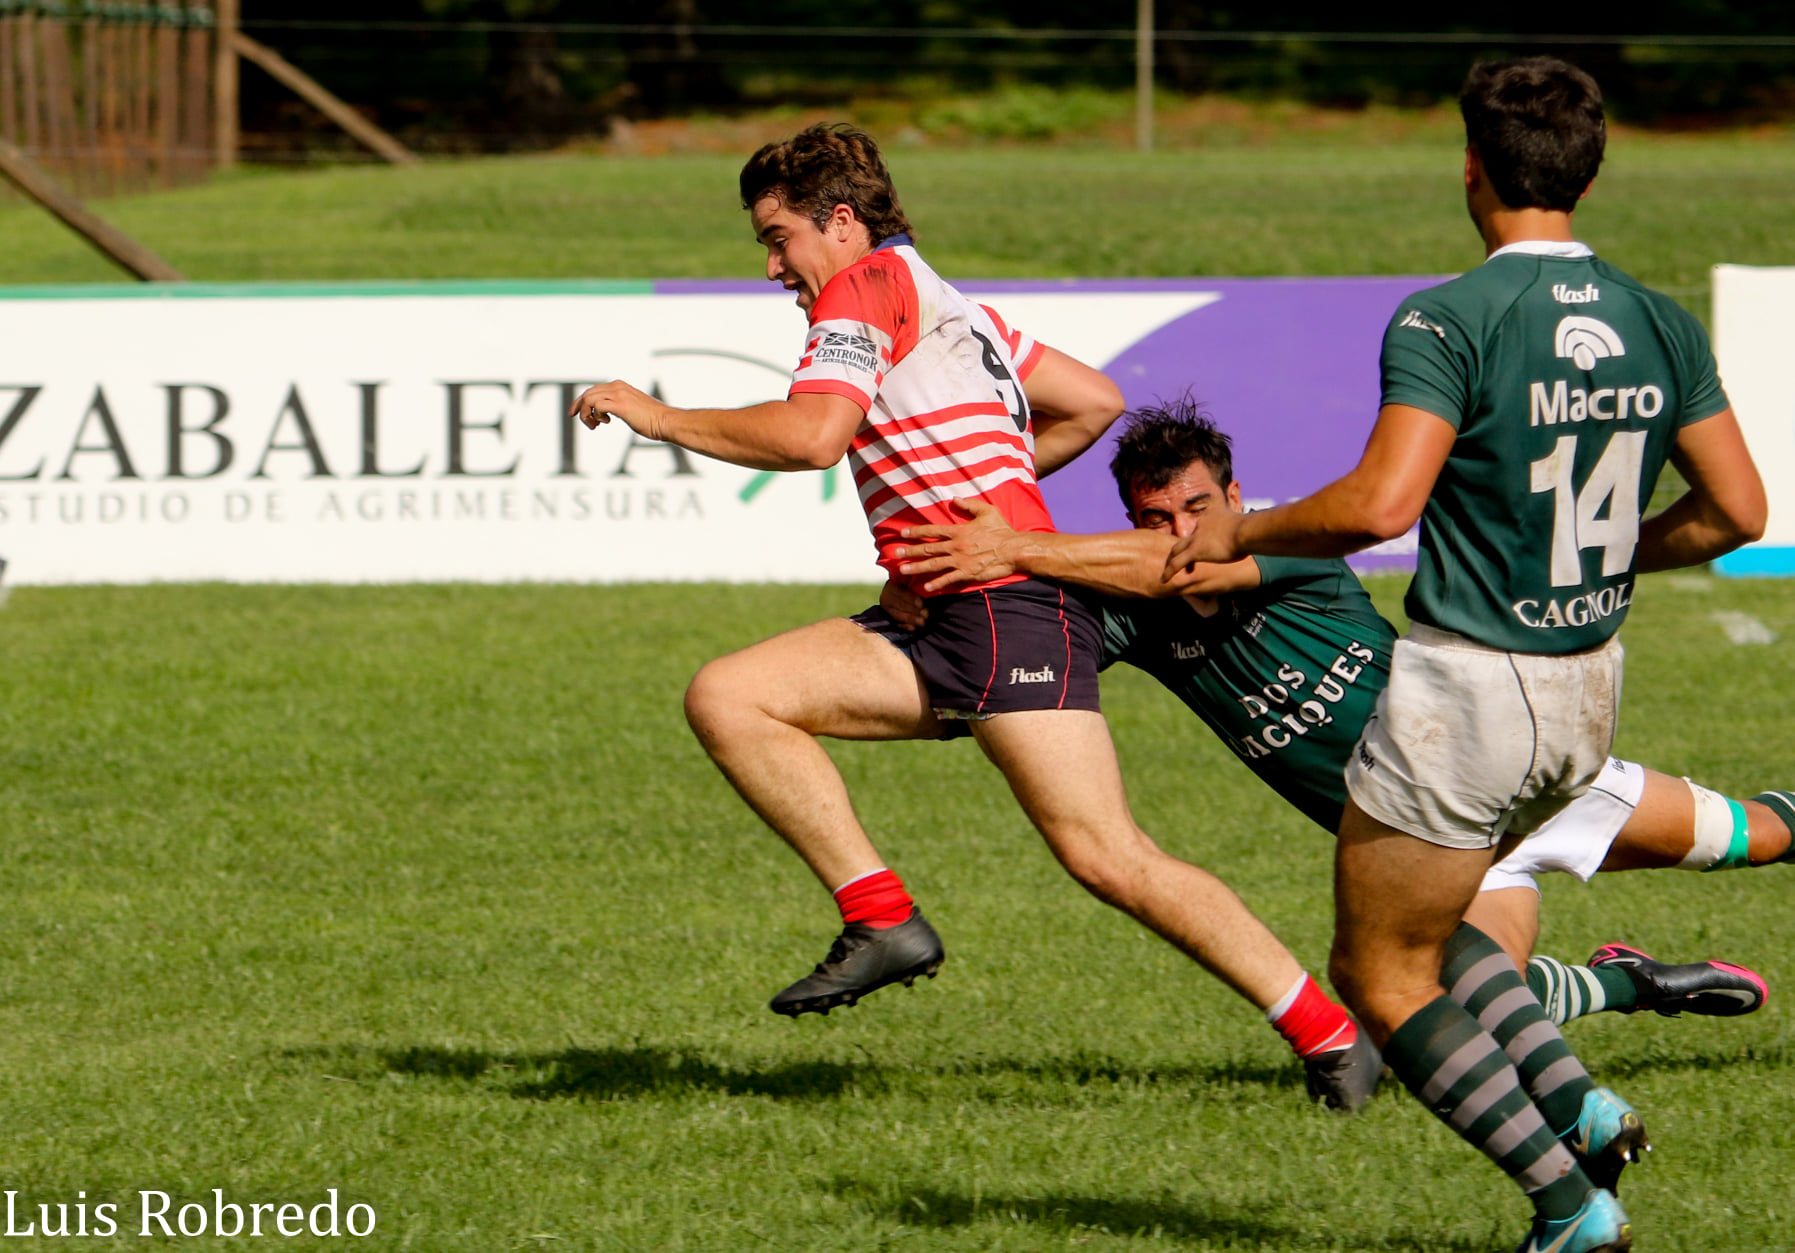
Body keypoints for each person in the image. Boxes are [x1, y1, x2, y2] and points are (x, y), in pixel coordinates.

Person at [568, 123, 1382, 1111]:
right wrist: (965, 504)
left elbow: (816, 434)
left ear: (839, 219)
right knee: (732, 693)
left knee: (1105, 852)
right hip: (955, 606)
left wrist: (658, 415)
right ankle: (881, 917)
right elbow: (1089, 401)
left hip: (1002, 613)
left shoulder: (861, 287)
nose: (775, 264)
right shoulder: (955, 305)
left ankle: (1330, 1035)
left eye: (778, 238)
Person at [1155, 58, 1764, 1253]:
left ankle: (1569, 1206)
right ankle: (1584, 1105)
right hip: (1587, 685)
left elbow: (1381, 505)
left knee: (1379, 973)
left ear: (1473, 171)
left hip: (1467, 690)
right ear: (1587, 172)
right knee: (1451, 932)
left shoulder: (1449, 315)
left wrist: (1245, 527)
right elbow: (1739, 511)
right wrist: (1598, 560)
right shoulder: (1657, 316)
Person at [888, 400, 1777, 1032]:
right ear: (1129, 522)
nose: (1178, 529)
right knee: (1467, 1013)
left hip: (1509, 770)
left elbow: (1188, 568)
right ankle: (1623, 984)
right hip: (1423, 844)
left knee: (1757, 837)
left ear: (1236, 498)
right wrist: (923, 592)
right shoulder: (1130, 613)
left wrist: (1009, 544)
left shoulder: (1289, 546)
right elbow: (1021, 650)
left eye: (1197, 507)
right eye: (1153, 518)